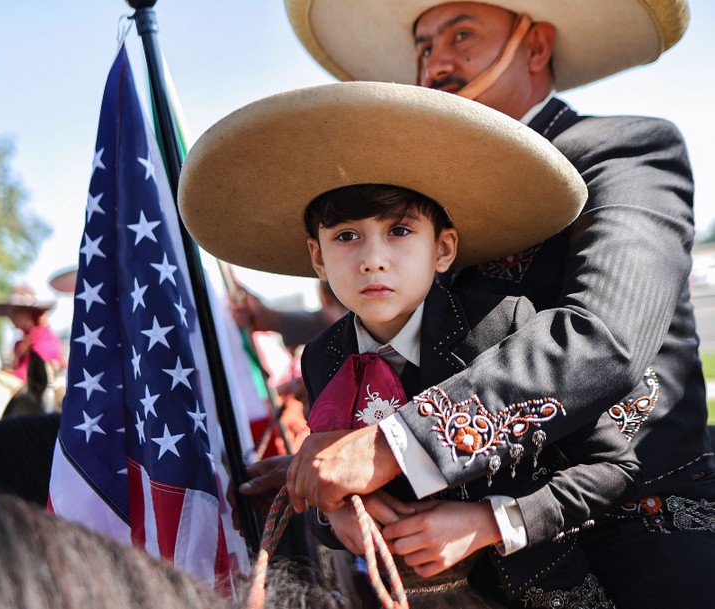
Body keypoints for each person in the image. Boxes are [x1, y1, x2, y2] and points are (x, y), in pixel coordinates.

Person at [283, 1, 714, 607]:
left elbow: (603, 340)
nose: (437, 62)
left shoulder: (621, 147)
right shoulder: (425, 197)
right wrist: (320, 480)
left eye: (462, 35)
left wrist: (390, 447)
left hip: (640, 544)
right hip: (486, 578)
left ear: (535, 47)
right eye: (425, 47)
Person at [178, 81, 639, 606]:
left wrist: (490, 521)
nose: (373, 259)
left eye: (399, 231)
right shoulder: (323, 357)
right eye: (346, 236)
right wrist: (338, 515)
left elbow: (612, 469)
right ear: (317, 258)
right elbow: (341, 479)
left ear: (442, 249)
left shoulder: (501, 326)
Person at [0, 286, 65, 382]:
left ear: (28, 312)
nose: (11, 316)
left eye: (15, 311)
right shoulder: (23, 342)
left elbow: (28, 377)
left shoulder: (46, 339)